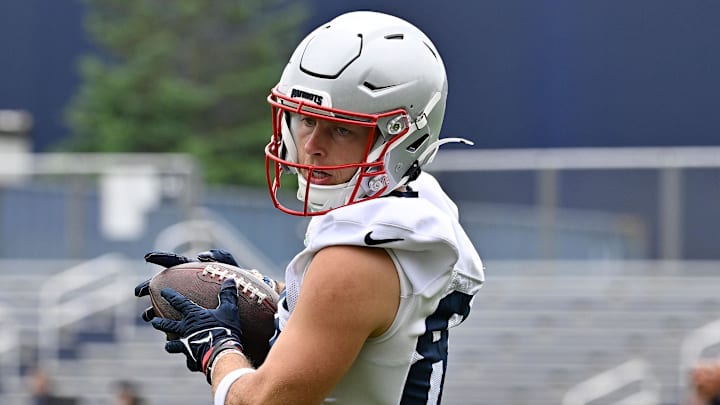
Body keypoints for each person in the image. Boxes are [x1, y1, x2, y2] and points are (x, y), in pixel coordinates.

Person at [135, 10, 485, 405]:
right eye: (305, 119)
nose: (312, 146)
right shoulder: (411, 206)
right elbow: (359, 316)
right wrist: (269, 290)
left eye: (341, 129)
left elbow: (259, 402)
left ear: (399, 140)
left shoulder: (356, 261)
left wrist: (215, 347)